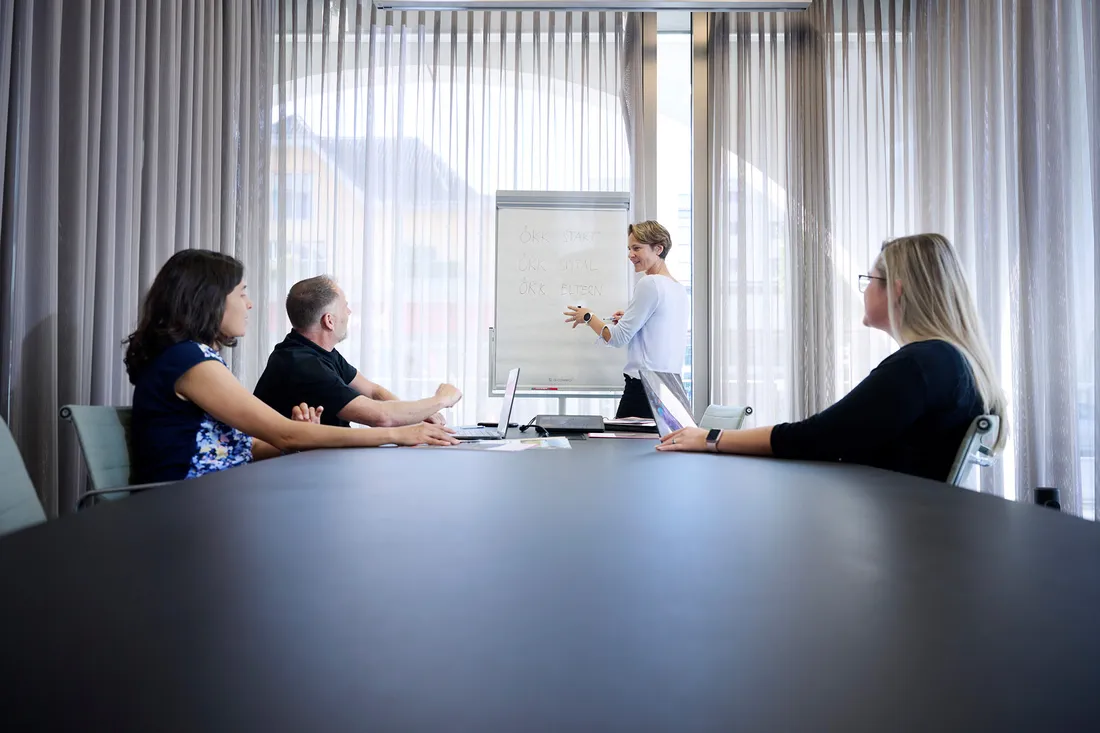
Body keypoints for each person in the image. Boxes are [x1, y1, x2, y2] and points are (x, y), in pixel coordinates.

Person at [657, 233, 1008, 483]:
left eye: (870, 279)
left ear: (896, 289)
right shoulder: (949, 362)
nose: (865, 288)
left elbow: (817, 437)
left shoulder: (922, 364)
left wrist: (710, 438)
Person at [125, 250, 458, 484]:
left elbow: (246, 444)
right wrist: (397, 434)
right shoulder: (189, 361)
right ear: (208, 300)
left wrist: (300, 439)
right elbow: (283, 431)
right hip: (185, 504)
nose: (250, 303)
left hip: (217, 493)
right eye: (242, 294)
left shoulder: (191, 358)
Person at [253, 276, 462, 428]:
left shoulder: (315, 350)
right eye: (345, 307)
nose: (349, 312)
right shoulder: (301, 365)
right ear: (329, 320)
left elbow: (373, 392)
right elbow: (380, 417)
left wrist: (419, 414)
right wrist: (440, 400)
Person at [563, 221, 689, 418]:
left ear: (658, 249)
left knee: (622, 446)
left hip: (644, 390)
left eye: (637, 248)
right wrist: (632, 320)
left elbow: (616, 338)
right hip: (672, 389)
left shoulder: (650, 283)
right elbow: (659, 329)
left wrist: (588, 316)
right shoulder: (678, 289)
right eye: (629, 248)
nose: (631, 255)